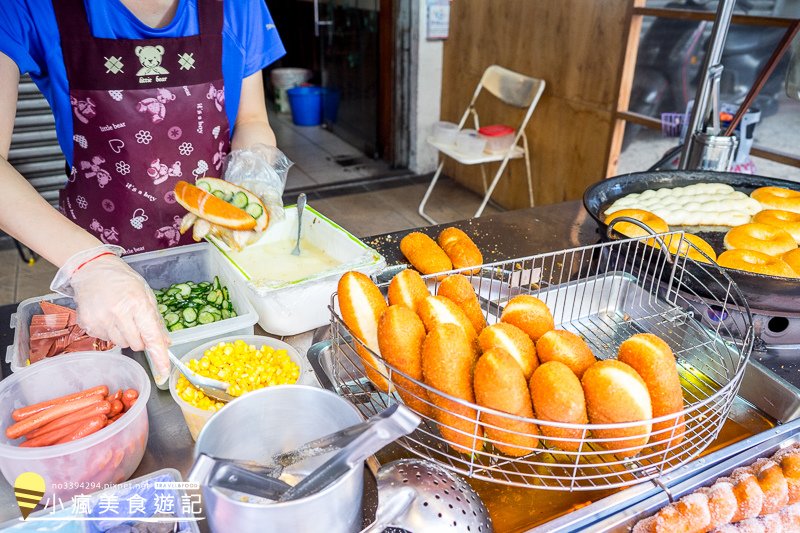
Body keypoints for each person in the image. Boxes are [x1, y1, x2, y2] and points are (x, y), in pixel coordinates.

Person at [0, 0, 287, 380]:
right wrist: (88, 264)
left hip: (215, 254)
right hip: (100, 258)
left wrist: (253, 180)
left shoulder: (240, 5)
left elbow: (251, 119)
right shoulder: (26, 6)